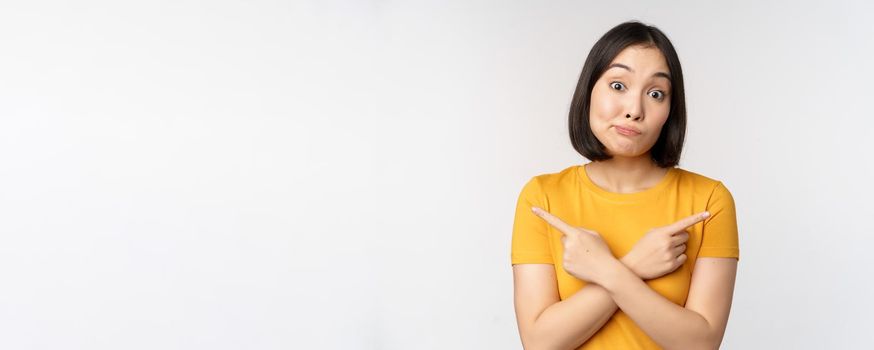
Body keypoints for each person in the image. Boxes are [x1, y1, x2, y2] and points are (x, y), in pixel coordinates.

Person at [510, 20, 739, 349]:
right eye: (618, 86)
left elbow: (700, 344)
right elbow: (539, 343)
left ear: (670, 110)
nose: (634, 110)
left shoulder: (709, 200)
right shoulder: (543, 196)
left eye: (656, 93)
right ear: (590, 89)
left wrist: (607, 270)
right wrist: (636, 265)